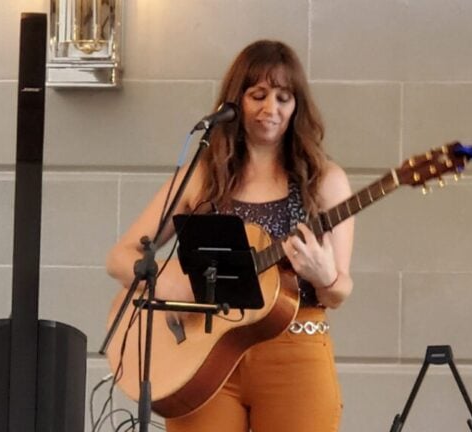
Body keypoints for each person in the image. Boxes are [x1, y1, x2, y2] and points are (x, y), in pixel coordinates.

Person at [106, 39, 355, 432]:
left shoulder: (324, 180)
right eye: (258, 95)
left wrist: (326, 277)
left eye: (283, 97)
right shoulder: (204, 175)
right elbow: (121, 256)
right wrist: (174, 285)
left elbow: (338, 293)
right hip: (207, 357)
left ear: (297, 106)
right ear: (235, 101)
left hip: (296, 352)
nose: (270, 109)